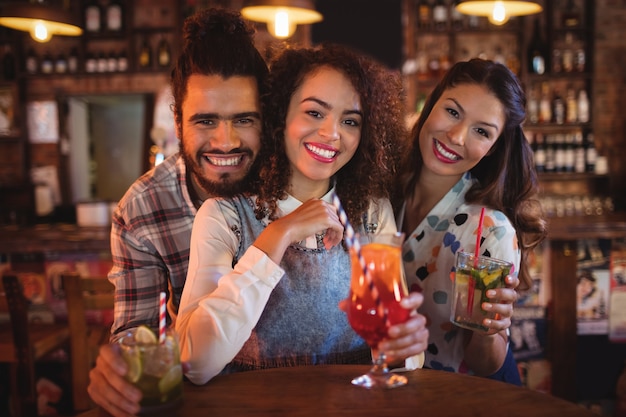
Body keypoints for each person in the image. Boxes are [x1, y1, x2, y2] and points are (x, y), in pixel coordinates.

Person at [176, 43, 429, 385]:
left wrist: (406, 346)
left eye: (350, 121)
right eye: (314, 113)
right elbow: (196, 362)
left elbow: (398, 358)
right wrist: (277, 236)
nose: (332, 133)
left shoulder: (371, 212)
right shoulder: (224, 217)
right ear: (280, 117)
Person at [86, 8, 269, 417]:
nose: (226, 142)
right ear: (178, 121)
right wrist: (118, 367)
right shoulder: (142, 208)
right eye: (205, 121)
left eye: (244, 119)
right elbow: (139, 333)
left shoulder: (297, 181)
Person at [393, 58, 547, 384]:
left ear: (492, 149)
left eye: (481, 131)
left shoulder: (489, 231)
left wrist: (489, 331)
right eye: (452, 112)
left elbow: (485, 364)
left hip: (450, 399)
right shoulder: (382, 193)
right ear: (431, 104)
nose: (457, 136)